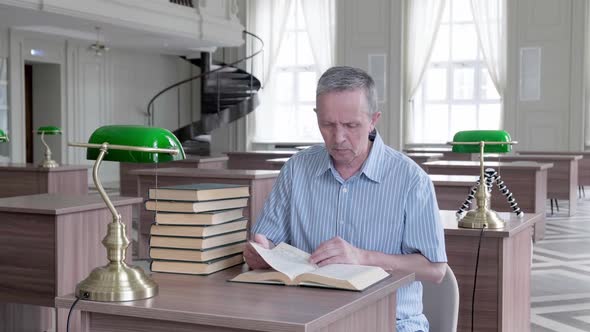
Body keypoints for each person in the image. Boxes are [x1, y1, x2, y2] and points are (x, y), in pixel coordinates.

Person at [244, 66, 447, 332]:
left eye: (351, 125)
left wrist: (363, 257)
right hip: (309, 320)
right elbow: (267, 241)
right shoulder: (296, 170)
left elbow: (435, 270)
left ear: (374, 119)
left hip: (391, 323)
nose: (338, 138)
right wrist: (261, 251)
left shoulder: (411, 180)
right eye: (327, 125)